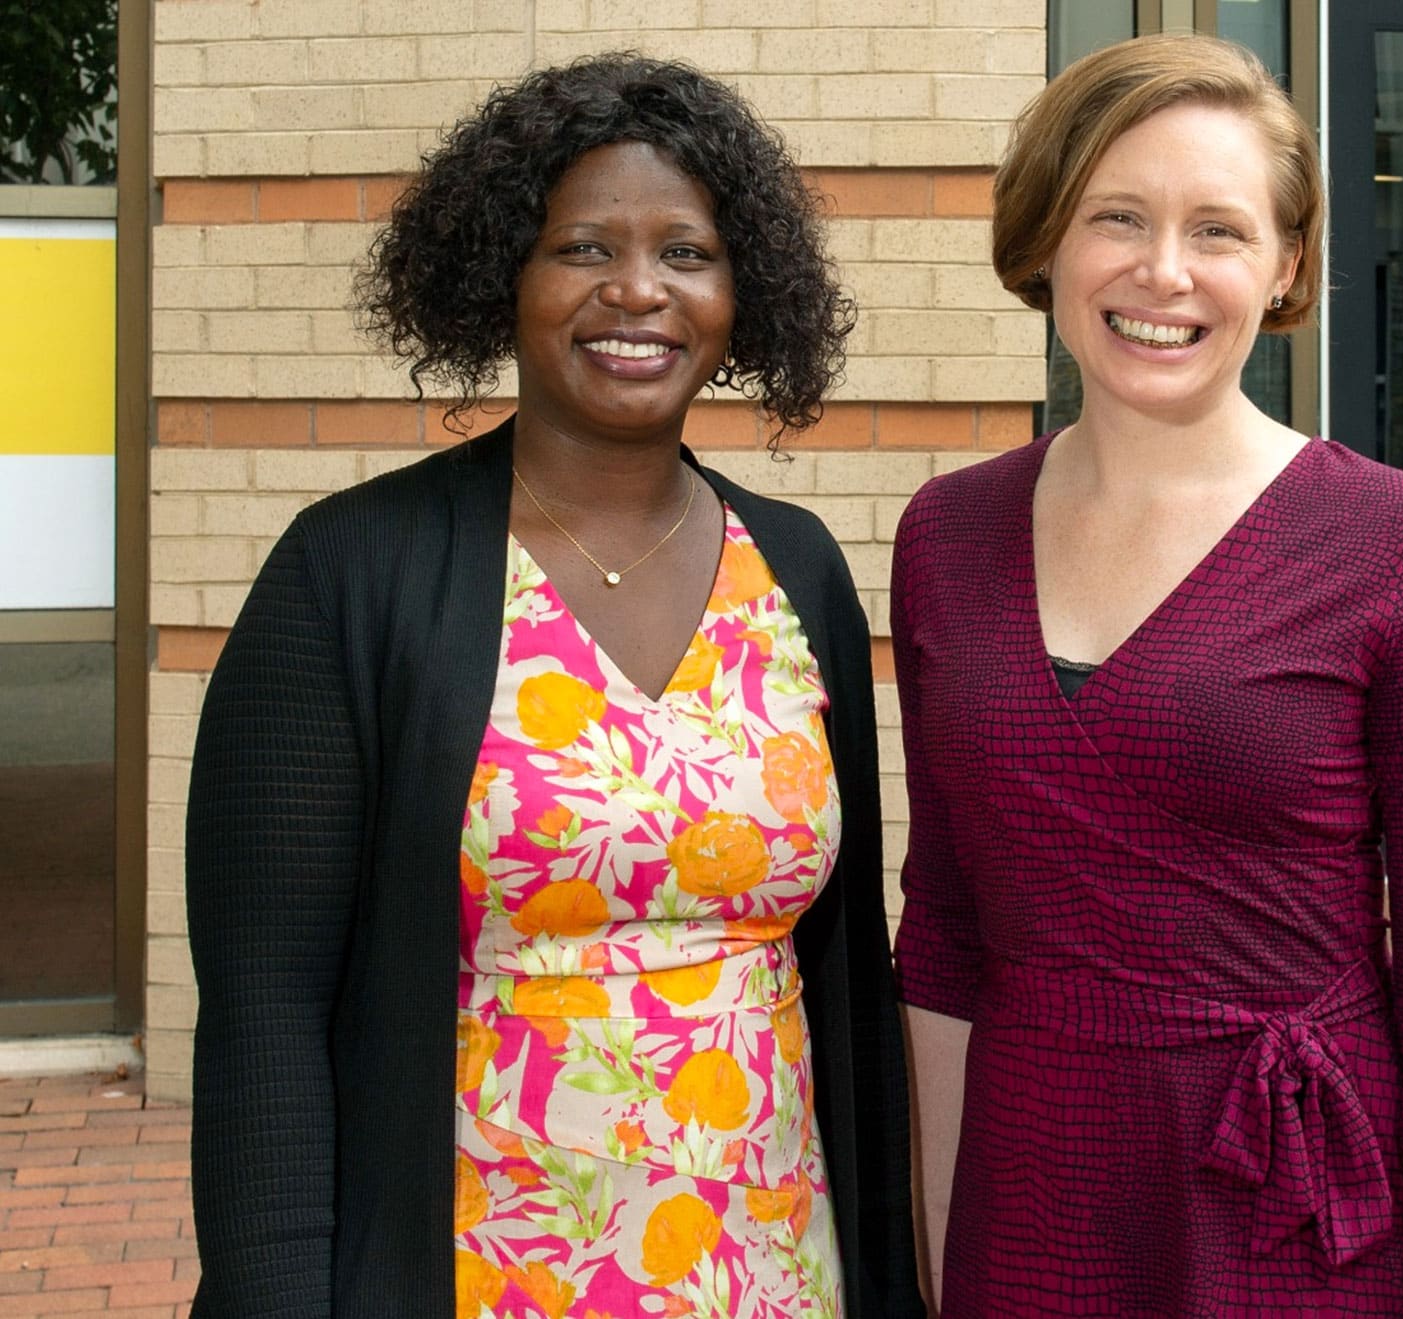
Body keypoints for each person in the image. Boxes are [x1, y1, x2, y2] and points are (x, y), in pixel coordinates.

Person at [186, 54, 922, 1319]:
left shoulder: (796, 569)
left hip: (773, 1268)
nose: (637, 291)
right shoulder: (350, 571)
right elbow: (264, 1012)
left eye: (685, 253)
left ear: (741, 291)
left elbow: (850, 981)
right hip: (476, 1272)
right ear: (501, 280)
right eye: (583, 247)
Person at [892, 34, 1403, 1318]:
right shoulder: (944, 534)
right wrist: (941, 1244)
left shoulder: (1401, 547)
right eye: (1115, 217)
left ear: (1285, 264)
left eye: (1219, 230)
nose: (1163, 272)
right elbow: (948, 929)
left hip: (1283, 1208)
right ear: (1044, 242)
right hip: (1026, 1197)